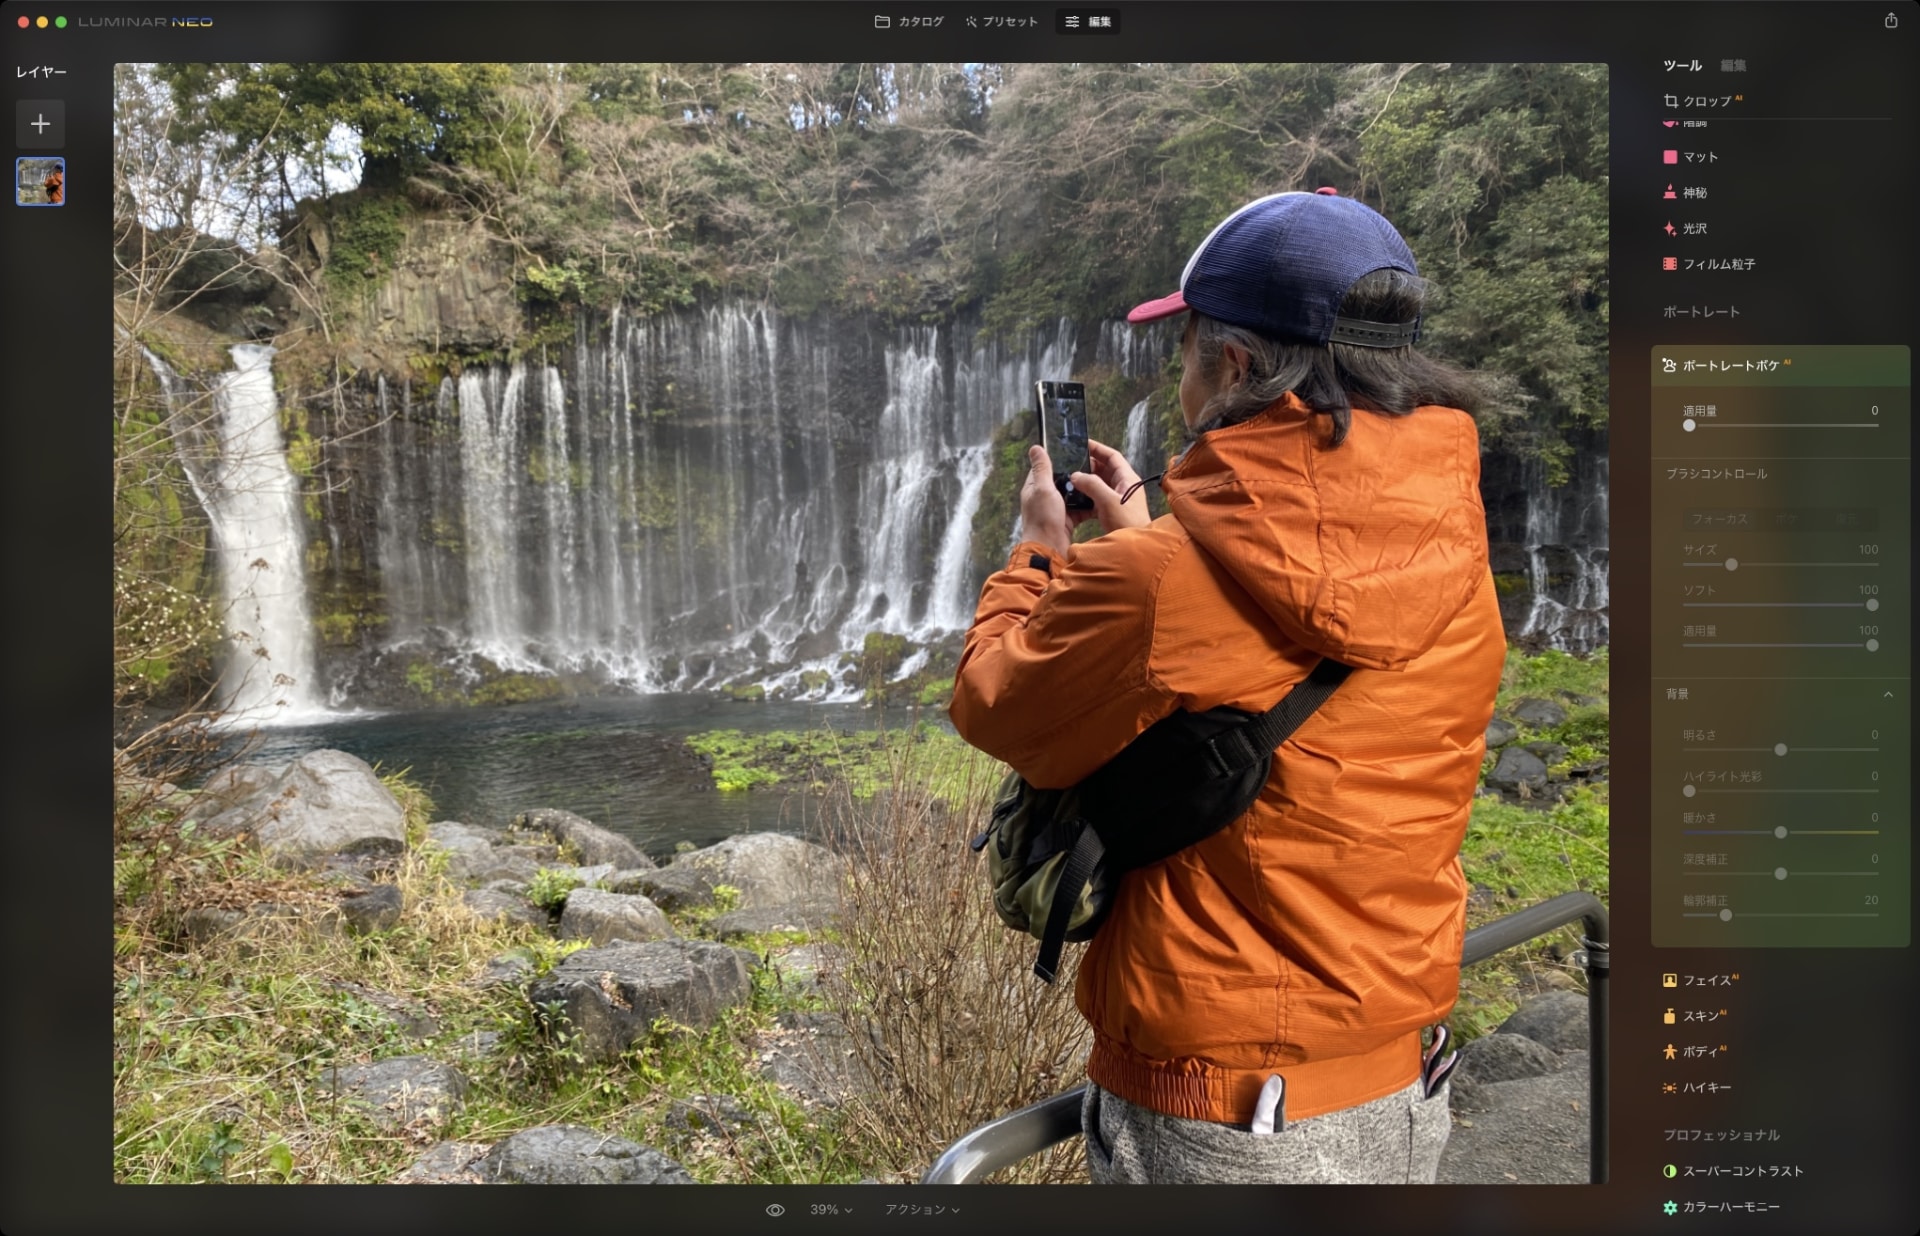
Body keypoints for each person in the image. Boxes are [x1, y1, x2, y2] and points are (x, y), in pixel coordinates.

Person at [948, 190, 1506, 1184]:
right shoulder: (1452, 546)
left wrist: (1041, 555)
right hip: (1400, 1080)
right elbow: (1288, 631)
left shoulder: (1153, 584)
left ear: (1236, 367)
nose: (1183, 375)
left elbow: (994, 702)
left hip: (1225, 1112)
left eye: (1188, 351)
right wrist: (1148, 542)